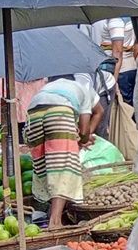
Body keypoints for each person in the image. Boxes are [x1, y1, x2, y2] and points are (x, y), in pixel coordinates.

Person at [25, 76, 105, 228]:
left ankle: (51, 213)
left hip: (33, 112)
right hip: (58, 112)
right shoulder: (86, 91)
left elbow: (88, 123)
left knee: (44, 165)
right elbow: (85, 128)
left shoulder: (54, 87)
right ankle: (55, 222)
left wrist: (79, 137)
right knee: (63, 167)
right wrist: (83, 139)